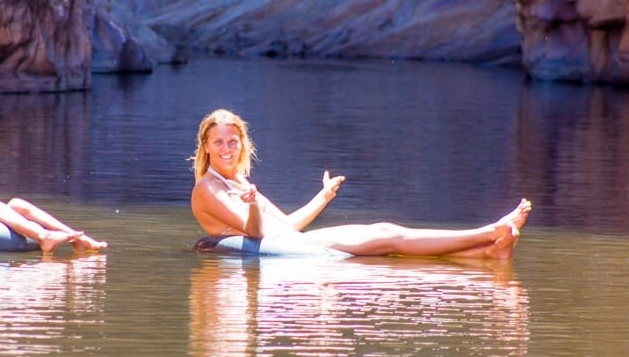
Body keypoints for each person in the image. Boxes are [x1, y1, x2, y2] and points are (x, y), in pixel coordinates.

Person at [190, 109, 532, 259]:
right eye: (218, 143)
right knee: (385, 234)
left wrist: (321, 199)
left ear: (243, 143)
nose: (226, 149)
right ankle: (489, 232)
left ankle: (485, 253)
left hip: (291, 243)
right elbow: (256, 233)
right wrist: (251, 204)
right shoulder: (209, 188)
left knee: (385, 237)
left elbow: (285, 225)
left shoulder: (238, 181)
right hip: (278, 249)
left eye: (232, 141)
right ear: (205, 146)